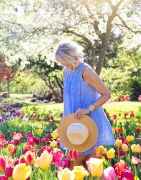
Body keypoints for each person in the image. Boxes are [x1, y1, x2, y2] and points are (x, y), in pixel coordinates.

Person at [54, 40, 115, 169]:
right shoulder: (67, 72)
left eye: (67, 63)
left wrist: (88, 109)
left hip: (90, 124)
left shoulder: (86, 71)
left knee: (85, 166)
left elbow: (106, 94)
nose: (67, 67)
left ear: (74, 56)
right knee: (83, 166)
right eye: (63, 64)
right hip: (75, 125)